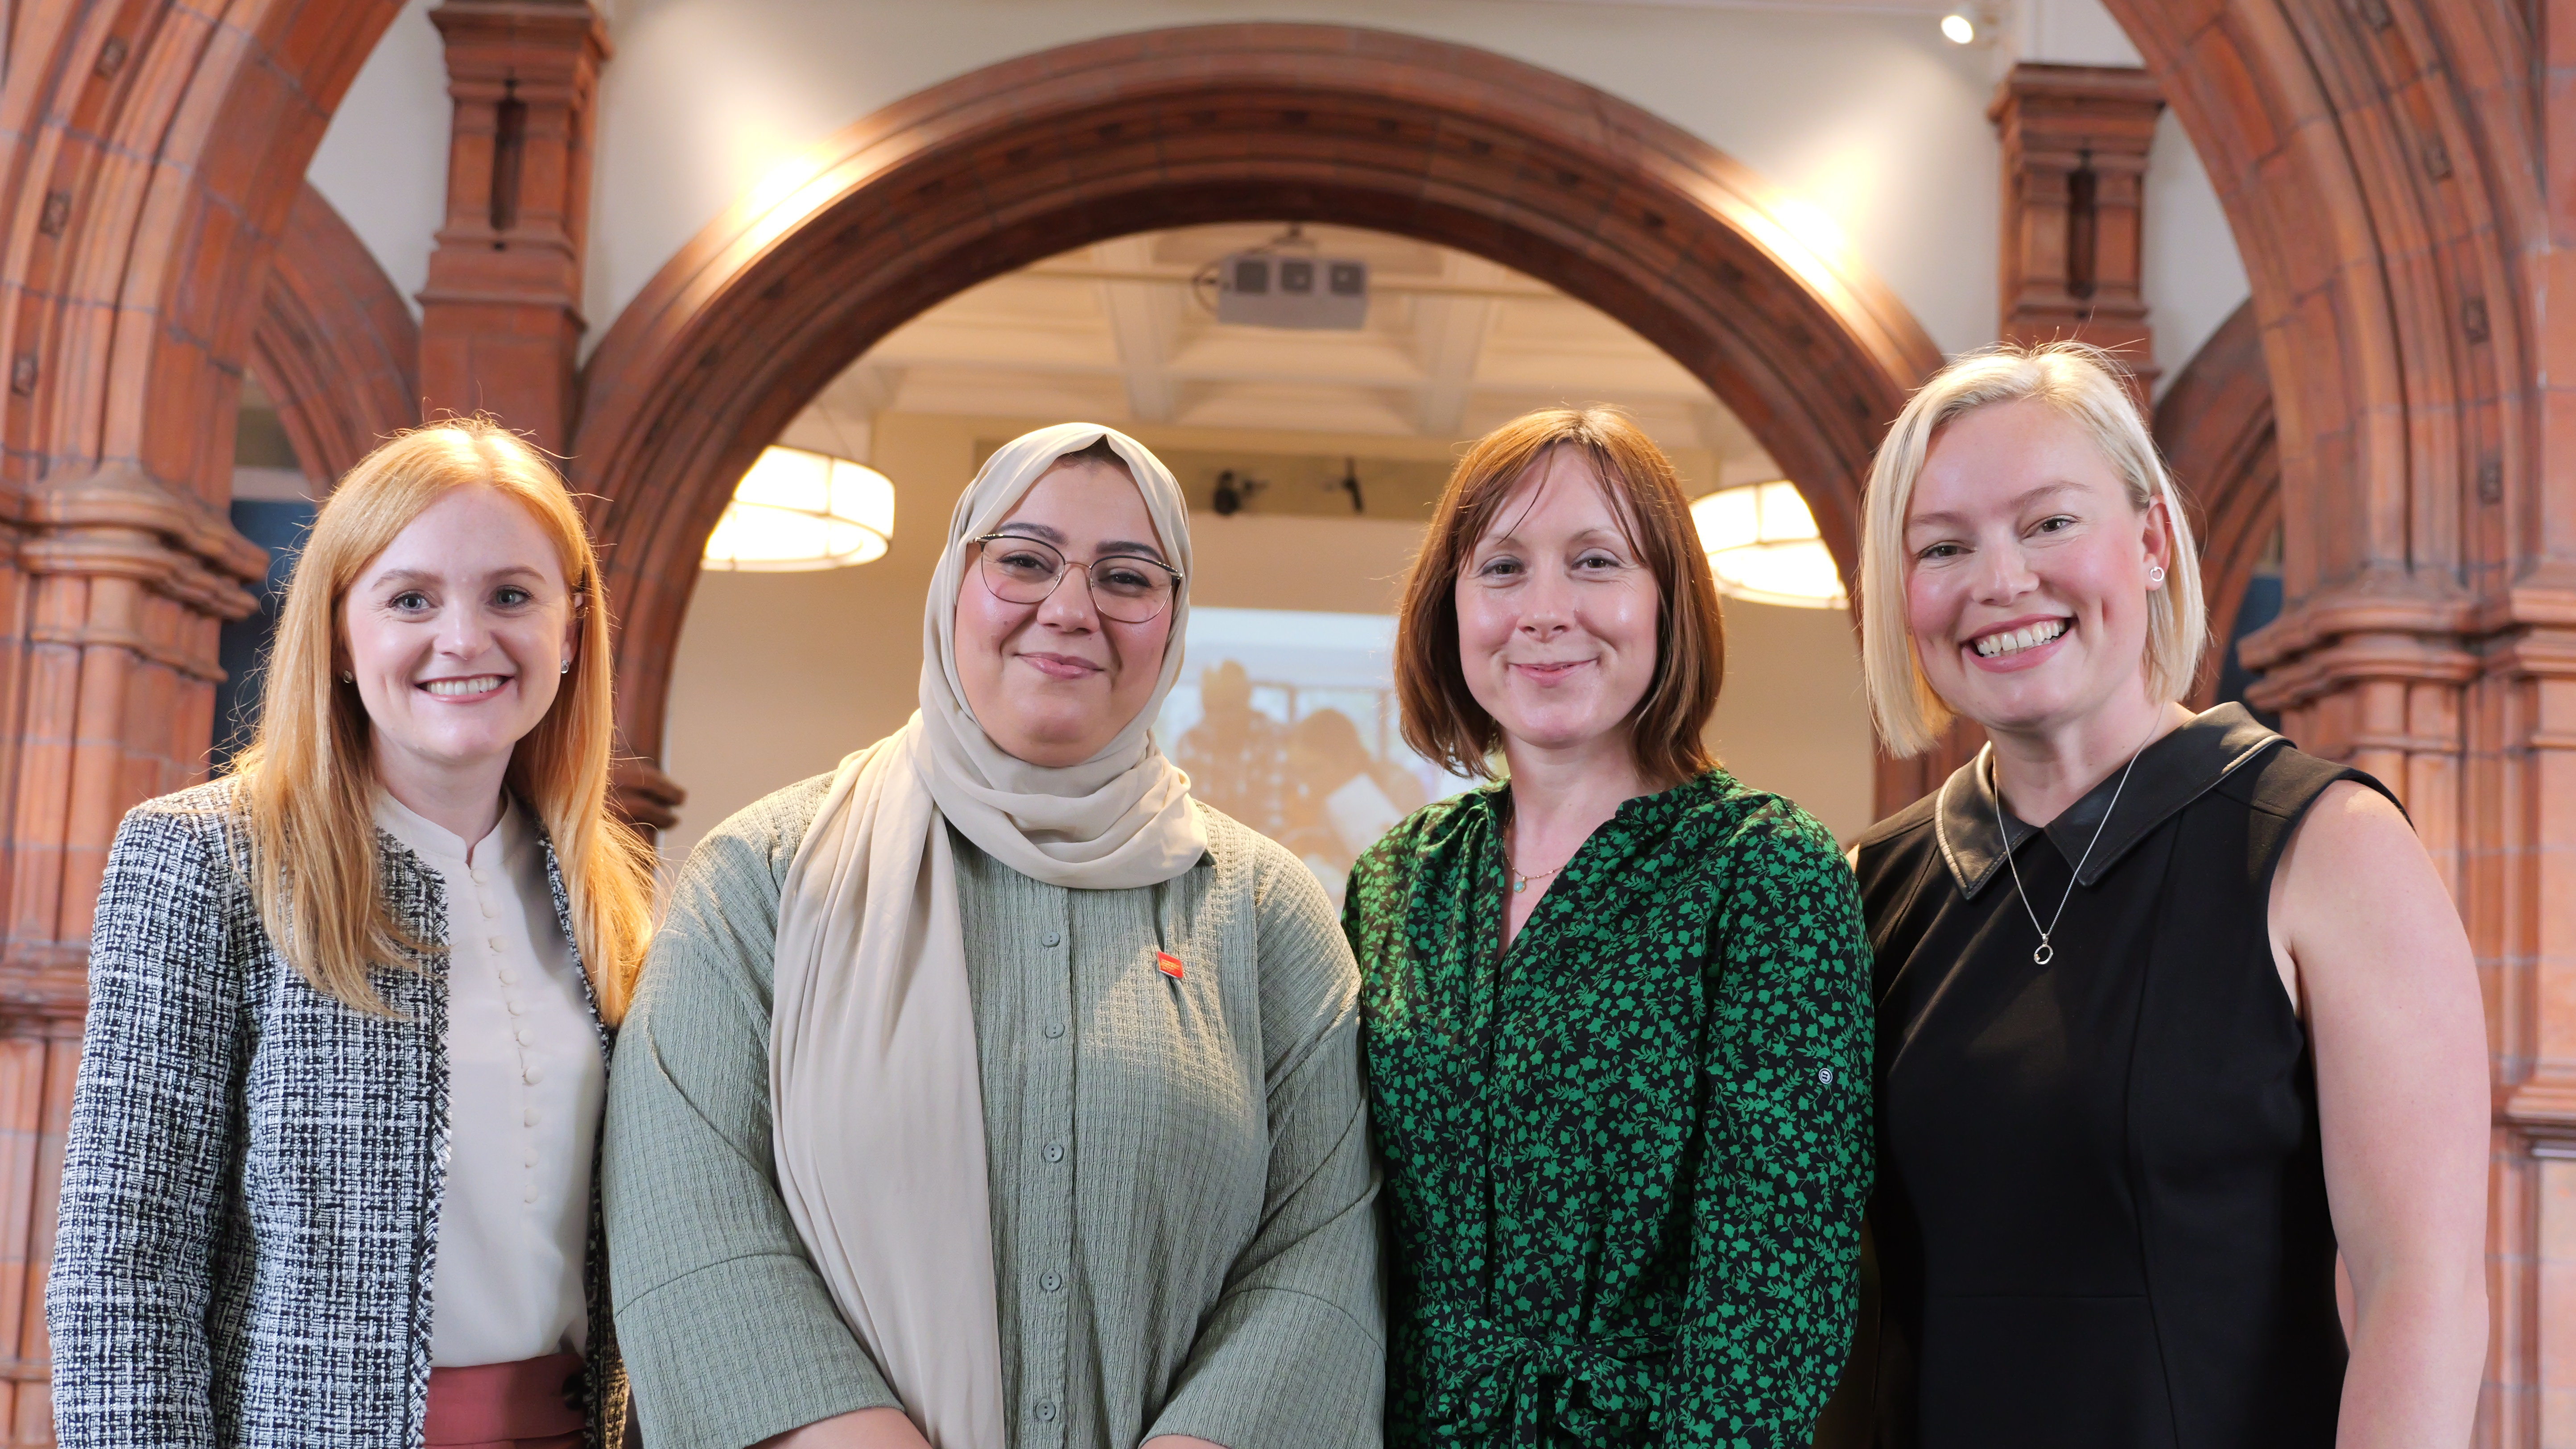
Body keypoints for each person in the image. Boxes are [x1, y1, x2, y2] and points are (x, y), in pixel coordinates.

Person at [602, 424, 1382, 1449]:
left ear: (1174, 619)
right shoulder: (761, 879)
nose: (1070, 609)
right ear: (954, 584)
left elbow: (1322, 1258)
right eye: (1022, 560)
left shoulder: (1265, 911)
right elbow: (687, 1227)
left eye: (1127, 576)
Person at [1835, 342, 2488, 1447]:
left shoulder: (2327, 847)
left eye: (2046, 523)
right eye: (1942, 546)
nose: (2000, 579)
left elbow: (2417, 1293)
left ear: (2147, 542)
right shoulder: (1858, 890)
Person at [48, 419, 657, 1448]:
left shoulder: (605, 889)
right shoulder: (208, 859)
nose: (463, 638)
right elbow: (123, 1261)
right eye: (410, 598)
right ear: (338, 631)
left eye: (511, 595)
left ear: (570, 629)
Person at [1342, 406, 1873, 1447]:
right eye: (1501, 568)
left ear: (1666, 601)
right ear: (1449, 606)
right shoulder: (1399, 879)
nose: (1544, 610)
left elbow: (1773, 1297)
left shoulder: (1763, 872)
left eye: (1594, 561)